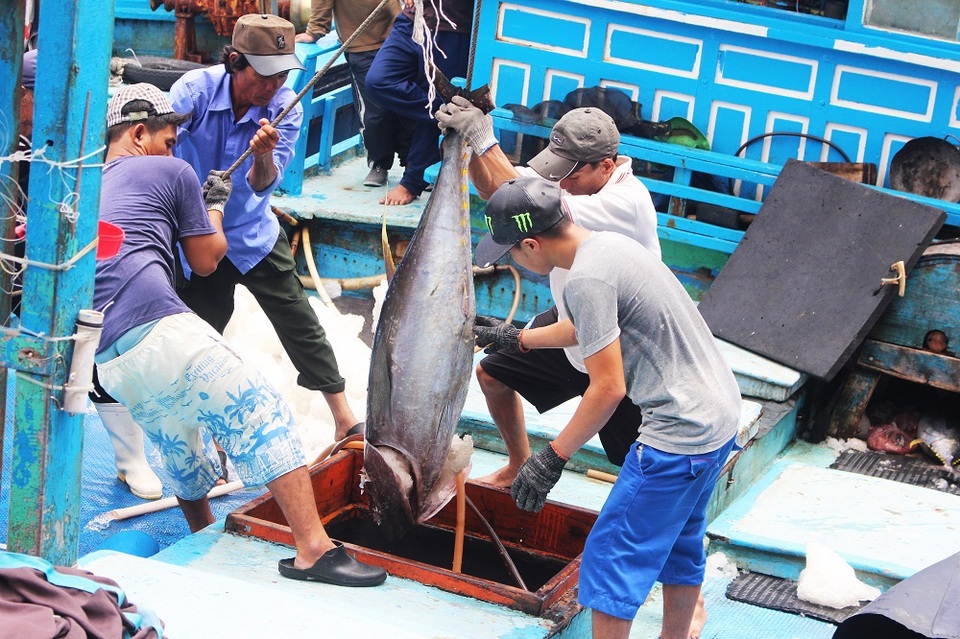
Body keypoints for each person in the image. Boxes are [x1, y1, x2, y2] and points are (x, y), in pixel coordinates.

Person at [93, 82, 386, 587]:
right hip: (153, 322)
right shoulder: (171, 170)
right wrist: (212, 203)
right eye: (167, 140)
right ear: (140, 133)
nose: (173, 149)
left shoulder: (88, 180)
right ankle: (314, 550)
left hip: (106, 358)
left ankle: (202, 534)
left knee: (176, 433)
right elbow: (207, 262)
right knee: (259, 406)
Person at [474, 175, 741, 639]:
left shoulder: (586, 280)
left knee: (612, 557)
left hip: (677, 435)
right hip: (717, 418)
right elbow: (583, 329)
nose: (513, 260)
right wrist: (518, 338)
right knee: (679, 542)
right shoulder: (610, 248)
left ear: (532, 245)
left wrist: (552, 457)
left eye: (511, 252)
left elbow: (608, 388)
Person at [435, 100, 660, 484]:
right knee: (492, 374)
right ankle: (517, 462)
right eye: (558, 170)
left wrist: (487, 140)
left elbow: (527, 199)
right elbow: (503, 193)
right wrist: (469, 147)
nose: (561, 181)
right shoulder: (568, 178)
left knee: (637, 464)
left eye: (570, 174)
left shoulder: (626, 202)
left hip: (621, 347)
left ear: (607, 165)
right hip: (570, 322)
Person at [169, 14, 364, 442]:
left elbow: (262, 183)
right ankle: (196, 432)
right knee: (201, 332)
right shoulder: (192, 93)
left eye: (282, 74)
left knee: (299, 319)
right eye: (266, 75)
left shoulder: (285, 106)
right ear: (236, 62)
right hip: (198, 237)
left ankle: (344, 417)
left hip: (253, 232)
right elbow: (164, 160)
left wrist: (262, 156)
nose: (275, 85)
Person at [366, 0, 473, 205]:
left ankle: (412, 181)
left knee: (435, 93)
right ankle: (447, 112)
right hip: (412, 20)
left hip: (452, 27)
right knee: (378, 80)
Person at [294, 0, 408, 188]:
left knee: (406, 105)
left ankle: (412, 164)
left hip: (399, 38)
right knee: (373, 113)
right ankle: (379, 163)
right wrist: (314, 30)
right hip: (362, 47)